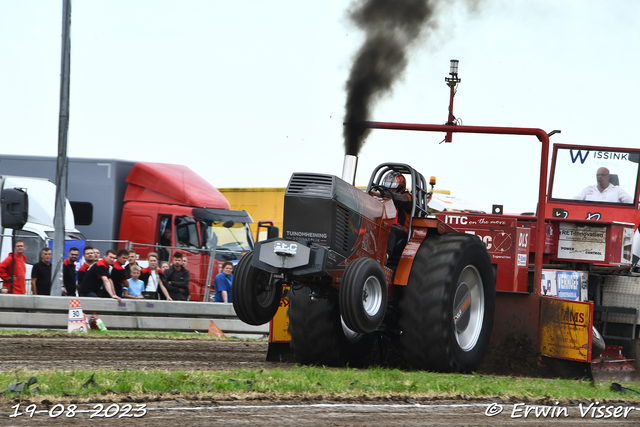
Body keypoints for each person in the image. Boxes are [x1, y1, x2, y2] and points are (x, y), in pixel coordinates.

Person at [370, 171, 412, 261]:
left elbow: (399, 198)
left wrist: (380, 193)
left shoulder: (407, 197)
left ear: (400, 188)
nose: (390, 189)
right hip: (382, 225)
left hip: (400, 230)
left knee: (391, 231)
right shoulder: (383, 197)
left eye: (393, 188)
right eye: (388, 187)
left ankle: (385, 256)